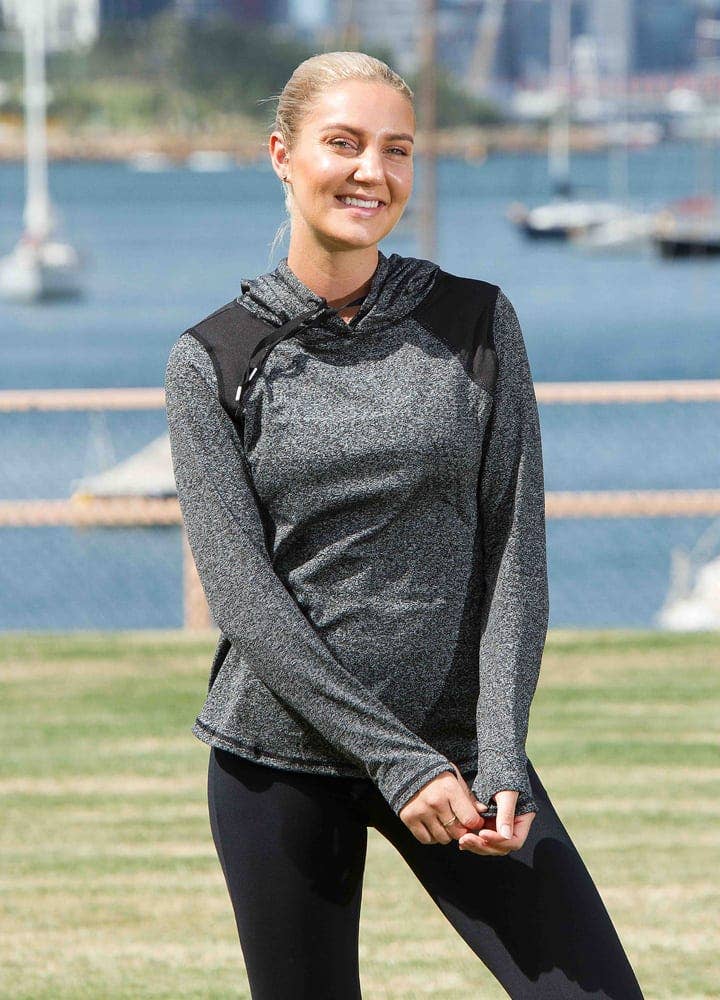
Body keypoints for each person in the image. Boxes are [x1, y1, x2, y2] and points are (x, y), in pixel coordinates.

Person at [164, 50, 645, 1000]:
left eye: (397, 149)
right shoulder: (211, 358)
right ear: (282, 155)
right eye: (343, 144)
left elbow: (514, 553)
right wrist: (397, 763)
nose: (372, 173)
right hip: (279, 760)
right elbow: (245, 600)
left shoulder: (475, 321)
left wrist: (498, 755)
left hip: (461, 752)